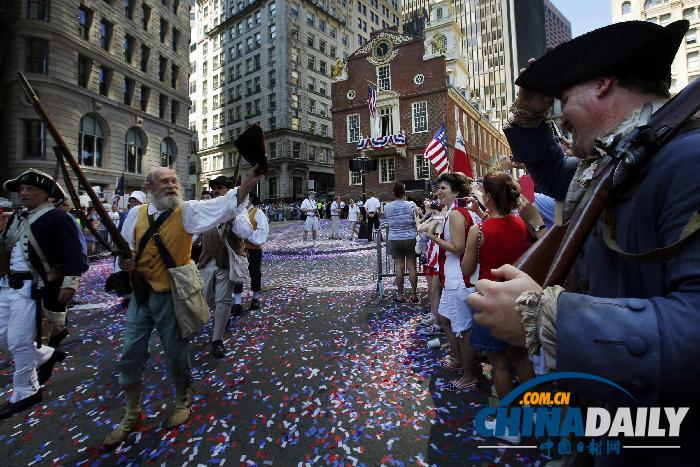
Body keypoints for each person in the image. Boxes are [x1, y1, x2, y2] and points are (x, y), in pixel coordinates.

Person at [466, 19, 700, 464]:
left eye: (564, 98)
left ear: (604, 82)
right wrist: (528, 113)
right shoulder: (617, 161)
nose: (560, 113)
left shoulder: (688, 158)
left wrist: (548, 319)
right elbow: (552, 171)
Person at [103, 166, 261, 448]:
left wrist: (250, 180)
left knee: (175, 351)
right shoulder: (134, 217)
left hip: (170, 294)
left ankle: (183, 397)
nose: (171, 185)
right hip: (141, 295)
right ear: (150, 187)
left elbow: (227, 204)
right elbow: (126, 250)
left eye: (174, 180)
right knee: (130, 353)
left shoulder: (187, 211)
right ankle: (131, 412)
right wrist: (125, 264)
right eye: (164, 181)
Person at [0, 170, 89, 419]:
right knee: (2, 338)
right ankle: (48, 354)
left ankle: (26, 392)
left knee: (18, 342)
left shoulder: (57, 218)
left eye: (31, 189)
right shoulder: (18, 217)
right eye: (22, 189)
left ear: (46, 195)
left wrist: (70, 283)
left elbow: (74, 254)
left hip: (33, 289)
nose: (24, 193)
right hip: (8, 284)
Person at [461, 172, 536, 444]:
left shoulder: (478, 230)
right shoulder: (521, 223)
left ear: (488, 198)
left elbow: (467, 270)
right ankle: (536, 413)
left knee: (500, 364)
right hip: (520, 298)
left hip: (492, 299)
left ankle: (510, 425)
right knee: (522, 359)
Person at [425, 172, 480, 392]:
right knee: (445, 318)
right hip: (452, 279)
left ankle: (469, 375)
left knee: (464, 329)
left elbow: (458, 248)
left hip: (460, 280)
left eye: (444, 189)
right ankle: (458, 360)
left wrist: (433, 238)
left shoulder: (457, 213)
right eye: (439, 188)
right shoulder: (454, 212)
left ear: (456, 192)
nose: (439, 192)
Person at [199, 176, 254, 358]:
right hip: (206, 261)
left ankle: (217, 340)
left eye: (220, 188)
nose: (215, 191)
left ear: (229, 192)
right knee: (205, 300)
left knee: (223, 301)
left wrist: (232, 217)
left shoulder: (239, 210)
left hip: (226, 262)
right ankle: (222, 316)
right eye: (214, 187)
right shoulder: (207, 209)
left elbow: (246, 232)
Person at [384, 182, 419, 303]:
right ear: (404, 193)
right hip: (410, 237)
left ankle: (400, 295)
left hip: (395, 238)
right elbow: (418, 217)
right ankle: (414, 295)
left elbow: (387, 219)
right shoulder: (411, 205)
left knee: (399, 268)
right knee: (412, 267)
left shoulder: (387, 207)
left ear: (393, 193)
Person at [242, 193, 269, 310]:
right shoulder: (237, 213)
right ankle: (237, 302)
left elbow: (262, 233)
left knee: (255, 273)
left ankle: (255, 298)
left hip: (254, 249)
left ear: (250, 199)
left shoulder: (258, 213)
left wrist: (246, 235)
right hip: (239, 249)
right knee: (237, 274)